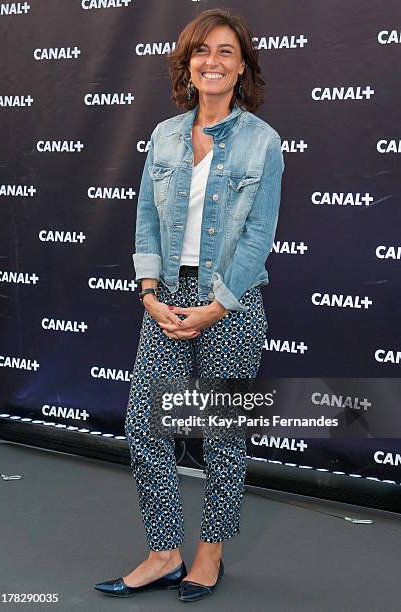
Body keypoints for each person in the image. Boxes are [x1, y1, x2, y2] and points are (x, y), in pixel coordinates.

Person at [93, 7, 284, 603]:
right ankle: (163, 552)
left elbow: (259, 235)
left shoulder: (262, 142)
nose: (213, 61)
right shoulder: (166, 135)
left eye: (227, 52)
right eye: (203, 51)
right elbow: (147, 217)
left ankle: (211, 553)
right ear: (188, 64)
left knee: (220, 435)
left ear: (242, 66)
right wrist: (149, 291)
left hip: (230, 305)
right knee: (146, 426)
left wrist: (217, 305)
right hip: (166, 299)